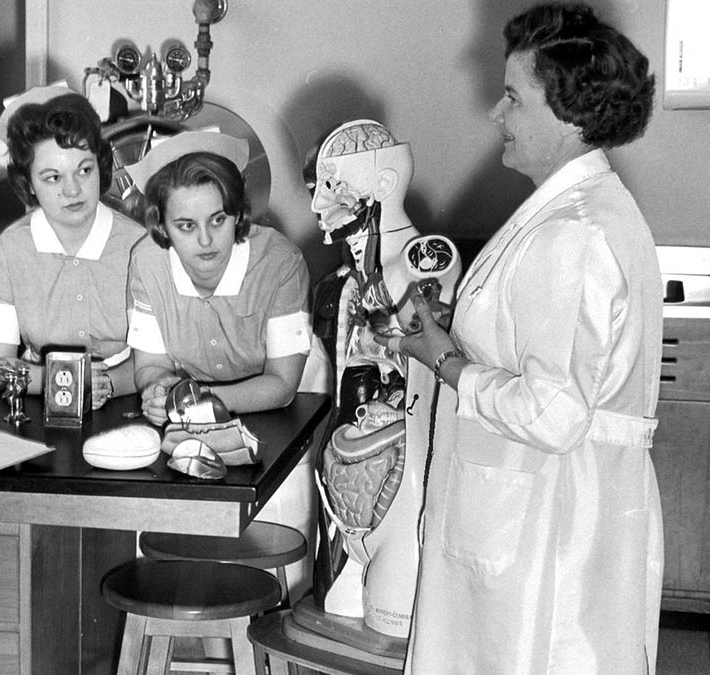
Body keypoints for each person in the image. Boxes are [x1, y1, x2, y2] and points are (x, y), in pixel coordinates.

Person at [379, 4, 663, 672]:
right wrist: (453, 329)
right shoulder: (573, 211)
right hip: (537, 513)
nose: (495, 114)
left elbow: (553, 411)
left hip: (548, 531)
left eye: (512, 97)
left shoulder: (576, 233)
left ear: (566, 113)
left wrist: (444, 359)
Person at [125, 130, 331, 600]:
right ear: (161, 225)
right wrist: (159, 390)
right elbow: (151, 364)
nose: (205, 240)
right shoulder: (147, 264)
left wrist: (197, 399)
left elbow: (280, 385)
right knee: (177, 563)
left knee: (271, 559)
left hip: (283, 411)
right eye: (185, 226)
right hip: (195, 412)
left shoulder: (279, 262)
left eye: (217, 219)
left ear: (237, 213)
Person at [303, 119, 460, 640]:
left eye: (332, 185)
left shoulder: (426, 262)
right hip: (348, 474)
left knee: (390, 633)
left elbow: (431, 362)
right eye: (317, 188)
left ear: (384, 183)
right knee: (338, 622)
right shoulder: (345, 283)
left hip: (403, 483)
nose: (318, 205)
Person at [0, 87, 144, 409]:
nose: (72, 189)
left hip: (128, 401)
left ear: (102, 167)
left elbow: (158, 358)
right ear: (29, 186)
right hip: (36, 402)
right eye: (52, 178)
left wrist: (107, 384)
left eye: (84, 170)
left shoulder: (139, 246)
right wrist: (67, 381)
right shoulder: (10, 250)